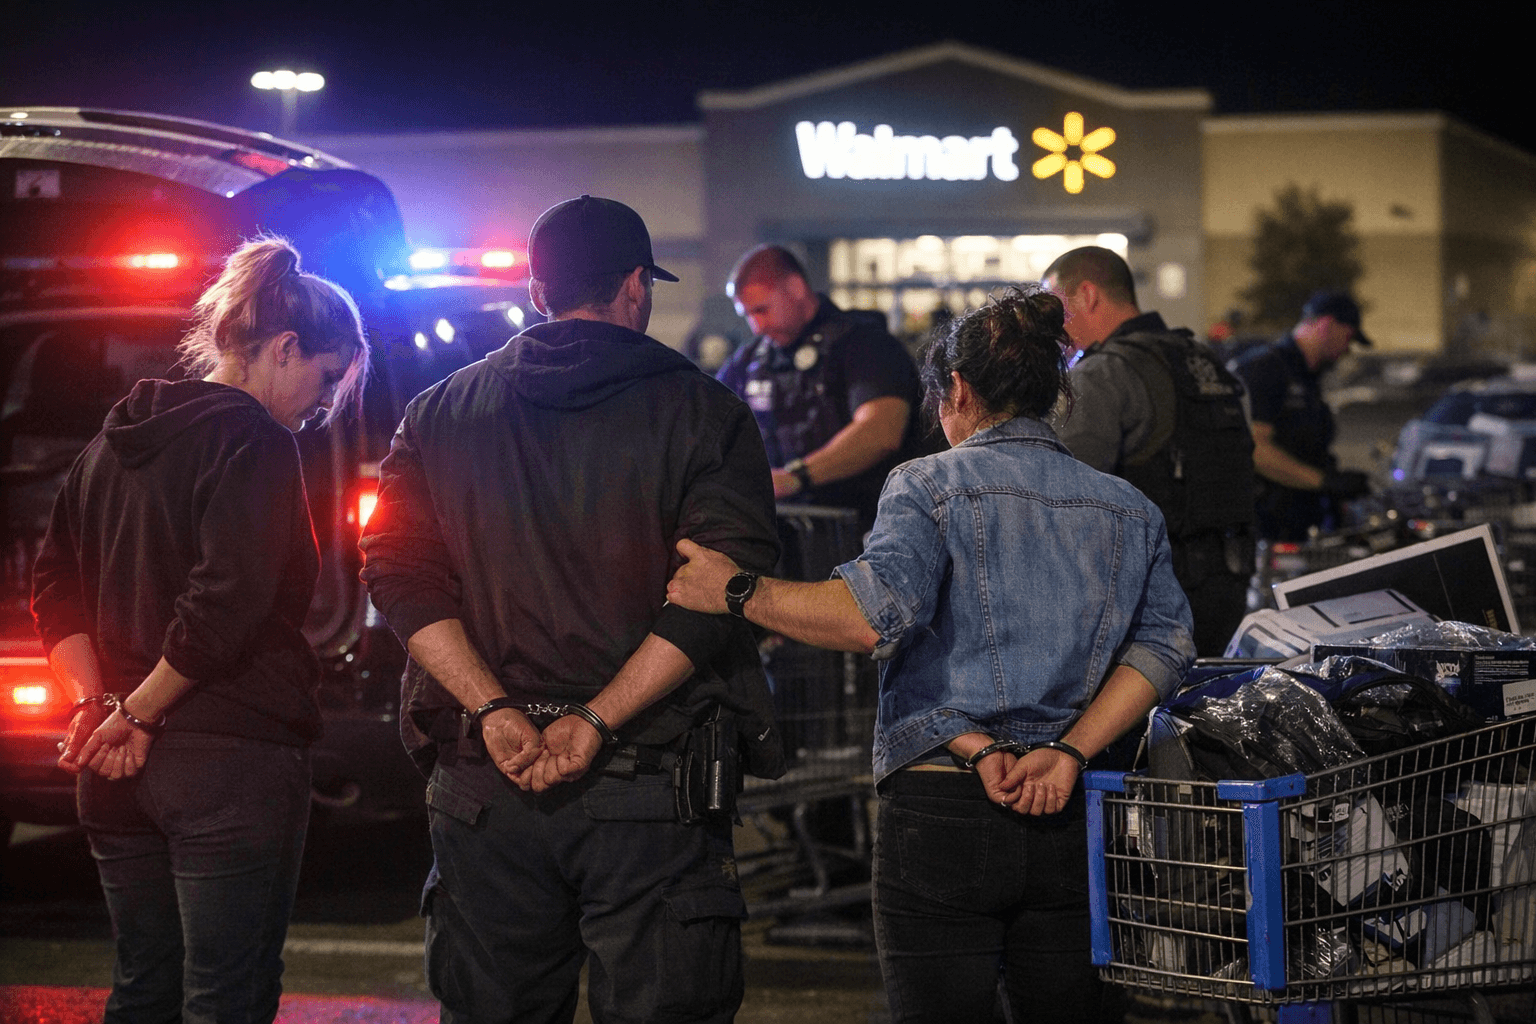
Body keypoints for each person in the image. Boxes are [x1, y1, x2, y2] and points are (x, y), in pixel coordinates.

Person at [667, 286, 1195, 1024]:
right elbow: (1166, 645)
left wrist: (736, 590)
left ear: (958, 388)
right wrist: (1069, 752)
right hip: (1073, 805)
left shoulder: (928, 483)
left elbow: (870, 616)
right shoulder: (1129, 507)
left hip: (943, 806)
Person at [358, 195, 782, 1023]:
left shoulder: (438, 411)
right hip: (652, 785)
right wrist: (594, 720)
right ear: (635, 285)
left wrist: (491, 709)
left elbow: (398, 576)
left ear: (536, 290)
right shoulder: (705, 412)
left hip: (487, 782)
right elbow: (714, 595)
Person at [31, 236, 370, 1023]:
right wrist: (140, 714)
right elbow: (225, 602)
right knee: (228, 996)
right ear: (284, 348)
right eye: (326, 379)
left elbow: (55, 589)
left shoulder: (110, 443)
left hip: (111, 767)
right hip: (227, 763)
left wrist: (97, 707)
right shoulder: (255, 441)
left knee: (141, 989)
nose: (322, 406)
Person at [1043, 246, 1256, 657]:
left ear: (1088, 295)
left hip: (1151, 607)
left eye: (1057, 308)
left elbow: (1063, 501)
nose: (1055, 328)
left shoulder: (1101, 374)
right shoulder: (1204, 360)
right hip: (1229, 591)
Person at [717, 244, 925, 527]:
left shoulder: (865, 345)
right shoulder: (750, 361)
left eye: (762, 310)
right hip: (782, 529)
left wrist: (796, 478)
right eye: (748, 315)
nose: (757, 326)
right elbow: (710, 429)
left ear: (795, 288)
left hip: (867, 528)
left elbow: (881, 432)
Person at [1227, 291, 1373, 541]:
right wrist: (1325, 482)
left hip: (1296, 522)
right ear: (1326, 324)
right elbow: (1255, 449)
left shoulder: (1305, 376)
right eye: (1348, 337)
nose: (1347, 350)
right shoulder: (1266, 368)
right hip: (1266, 529)